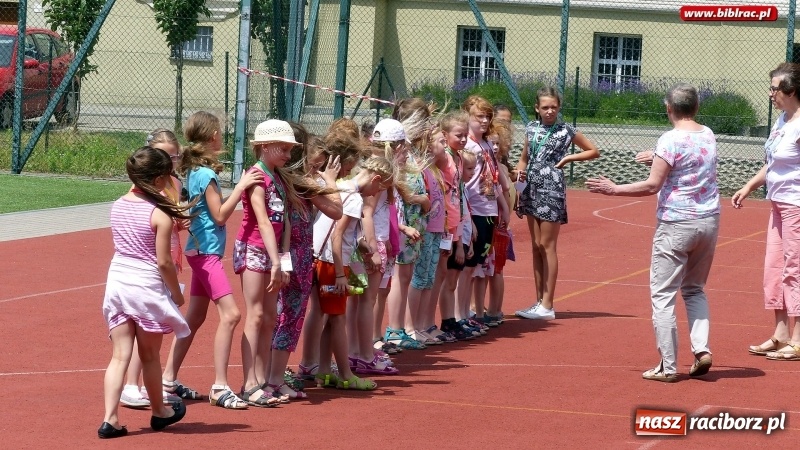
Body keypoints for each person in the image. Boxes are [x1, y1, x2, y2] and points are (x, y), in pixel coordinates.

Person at [586, 83, 719, 382]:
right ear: (696, 107)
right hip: (708, 221)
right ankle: (701, 350)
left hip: (676, 224)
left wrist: (614, 188)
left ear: (668, 108)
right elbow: (689, 159)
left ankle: (668, 365)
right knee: (695, 289)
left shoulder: (669, 140)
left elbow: (652, 185)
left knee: (663, 295)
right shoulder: (708, 134)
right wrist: (657, 154)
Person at [161, 111, 263, 410]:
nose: (223, 135)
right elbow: (219, 215)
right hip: (206, 253)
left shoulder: (194, 171)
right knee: (231, 315)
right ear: (211, 136)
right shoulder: (206, 175)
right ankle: (220, 385)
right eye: (219, 130)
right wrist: (242, 186)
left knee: (195, 316)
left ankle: (168, 378)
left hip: (199, 249)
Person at [99, 146, 192, 438]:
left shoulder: (118, 204)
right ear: (160, 178)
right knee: (150, 355)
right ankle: (159, 411)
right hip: (145, 285)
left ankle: (110, 418)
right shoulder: (159, 214)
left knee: (119, 355)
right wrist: (176, 295)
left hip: (118, 281)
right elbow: (164, 260)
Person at [733, 62, 800, 361]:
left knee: (795, 270)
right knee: (774, 269)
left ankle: (798, 340)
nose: (770, 94)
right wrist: (748, 186)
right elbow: (772, 162)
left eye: (774, 89)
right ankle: (781, 334)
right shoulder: (781, 121)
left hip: (797, 205)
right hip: (777, 203)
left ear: (791, 90)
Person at [514, 87, 600, 320]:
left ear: (559, 107)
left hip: (552, 189)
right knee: (535, 245)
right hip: (530, 189)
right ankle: (539, 301)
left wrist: (570, 157)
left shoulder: (566, 130)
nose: (550, 111)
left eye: (553, 107)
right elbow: (524, 159)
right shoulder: (531, 128)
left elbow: (594, 151)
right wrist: (518, 184)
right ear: (537, 108)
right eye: (545, 107)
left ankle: (548, 304)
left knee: (547, 245)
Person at [268, 134, 342, 397]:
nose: (317, 171)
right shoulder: (301, 185)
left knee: (279, 317)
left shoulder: (285, 181)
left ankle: (271, 376)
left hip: (289, 256)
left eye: (321, 166)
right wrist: (331, 182)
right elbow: (337, 211)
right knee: (288, 318)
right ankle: (274, 379)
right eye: (313, 165)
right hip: (295, 258)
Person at [311, 157, 394, 390]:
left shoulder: (341, 186)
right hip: (332, 263)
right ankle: (346, 374)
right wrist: (340, 274)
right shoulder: (355, 197)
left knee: (330, 318)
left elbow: (341, 233)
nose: (376, 193)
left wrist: (362, 245)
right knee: (338, 319)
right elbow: (337, 236)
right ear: (375, 178)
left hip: (326, 259)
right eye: (379, 188)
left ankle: (324, 371)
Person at [120, 129, 184, 408]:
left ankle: (149, 386)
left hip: (168, 250)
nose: (171, 160)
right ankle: (131, 385)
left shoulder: (175, 184)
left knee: (152, 331)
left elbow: (174, 214)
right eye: (165, 155)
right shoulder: (142, 188)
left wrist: (182, 220)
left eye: (174, 155)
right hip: (149, 260)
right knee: (143, 327)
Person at [234, 120, 295, 407]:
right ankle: (249, 383)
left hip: (273, 254)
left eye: (288, 149)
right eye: (282, 148)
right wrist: (275, 262)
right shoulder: (257, 176)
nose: (287, 154)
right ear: (263, 147)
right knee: (256, 315)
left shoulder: (278, 177)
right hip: (254, 250)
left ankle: (262, 379)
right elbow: (262, 221)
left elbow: (285, 223)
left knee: (271, 316)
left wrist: (283, 261)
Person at [459, 95, 509, 330]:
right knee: (468, 267)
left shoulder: (487, 144)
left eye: (488, 116)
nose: (485, 120)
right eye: (479, 116)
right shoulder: (466, 145)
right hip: (473, 210)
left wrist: (504, 207)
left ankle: (470, 314)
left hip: (489, 209)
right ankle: (462, 314)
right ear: (467, 117)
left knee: (479, 264)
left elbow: (495, 179)